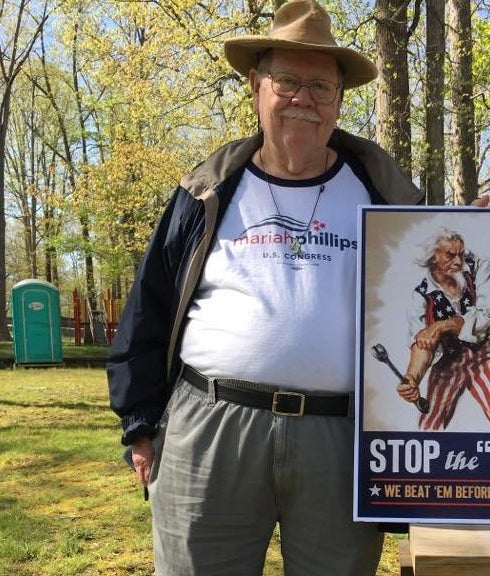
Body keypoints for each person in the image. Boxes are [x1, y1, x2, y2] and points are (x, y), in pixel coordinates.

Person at [107, 1, 423, 575]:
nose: (303, 99)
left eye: (320, 87)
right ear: (256, 86)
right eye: (287, 81)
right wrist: (139, 420)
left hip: (342, 437)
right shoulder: (206, 191)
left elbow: (453, 274)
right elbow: (148, 308)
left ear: (339, 100)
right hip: (210, 429)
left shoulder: (385, 194)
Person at [396, 229, 490, 432]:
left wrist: (441, 326)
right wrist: (412, 379)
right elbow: (422, 344)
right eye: (450, 255)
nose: (458, 262)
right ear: (433, 257)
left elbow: (487, 316)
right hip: (447, 363)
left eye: (461, 254)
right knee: (429, 428)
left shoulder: (480, 267)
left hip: (482, 356)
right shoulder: (420, 297)